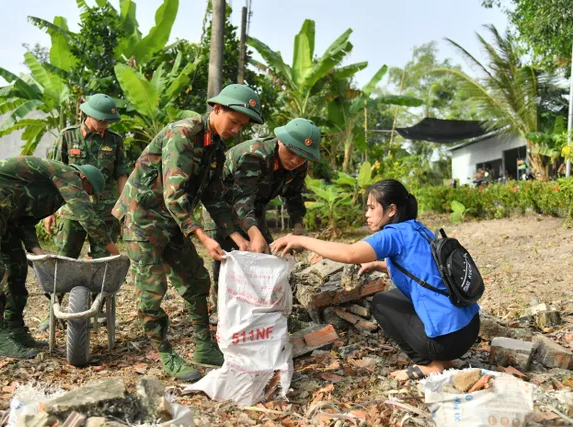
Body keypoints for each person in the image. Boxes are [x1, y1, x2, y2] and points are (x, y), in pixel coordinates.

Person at [113, 84, 264, 381]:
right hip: (142, 218)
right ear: (217, 109)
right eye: (234, 121)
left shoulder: (216, 146)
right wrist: (203, 237)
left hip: (172, 220)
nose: (237, 129)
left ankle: (203, 347)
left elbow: (213, 196)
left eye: (242, 126)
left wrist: (237, 237)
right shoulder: (183, 134)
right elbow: (175, 194)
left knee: (197, 279)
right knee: (151, 290)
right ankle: (166, 352)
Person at [271, 179, 480, 381]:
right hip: (470, 327)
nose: (366, 214)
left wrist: (299, 239)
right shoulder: (417, 228)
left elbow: (349, 253)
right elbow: (424, 271)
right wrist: (379, 265)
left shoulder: (392, 235)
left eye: (372, 208)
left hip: (448, 342)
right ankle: (445, 359)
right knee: (397, 295)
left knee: (381, 303)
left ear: (391, 210)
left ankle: (430, 364)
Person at [0, 157, 119, 359]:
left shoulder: (53, 193)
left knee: (17, 269)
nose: (85, 195)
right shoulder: (67, 174)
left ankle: (16, 330)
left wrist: (37, 252)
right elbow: (87, 217)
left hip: (7, 213)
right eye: (87, 191)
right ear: (82, 178)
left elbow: (24, 220)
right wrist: (114, 252)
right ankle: (2, 337)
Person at [203, 117, 320, 304]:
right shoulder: (255, 155)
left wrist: (298, 227)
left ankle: (260, 303)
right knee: (226, 260)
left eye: (303, 156)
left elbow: (293, 195)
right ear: (281, 140)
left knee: (267, 255)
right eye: (292, 152)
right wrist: (253, 233)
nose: (296, 160)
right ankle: (222, 311)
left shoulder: (298, 164)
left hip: (254, 206)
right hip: (221, 206)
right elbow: (241, 200)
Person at [40, 93, 129, 331]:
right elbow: (53, 173)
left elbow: (121, 173)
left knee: (103, 263)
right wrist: (50, 211)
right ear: (88, 114)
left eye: (108, 121)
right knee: (62, 260)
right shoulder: (67, 136)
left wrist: (122, 208)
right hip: (71, 211)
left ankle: (98, 311)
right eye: (101, 120)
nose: (104, 125)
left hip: (104, 211)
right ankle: (53, 312)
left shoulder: (115, 140)